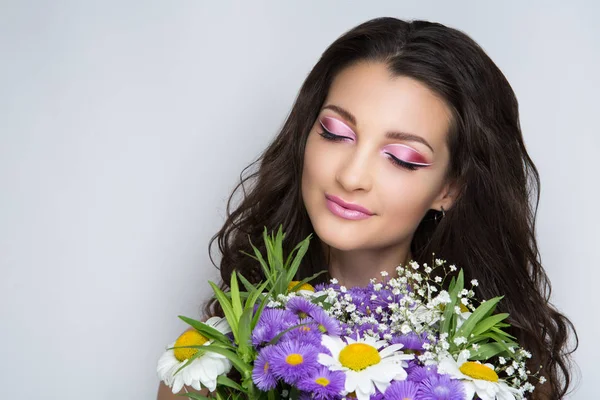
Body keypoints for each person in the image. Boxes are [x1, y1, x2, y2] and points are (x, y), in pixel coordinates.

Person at [157, 17, 577, 399]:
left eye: (401, 157)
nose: (352, 175)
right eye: (336, 133)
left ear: (449, 189)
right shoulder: (210, 365)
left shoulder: (496, 373)